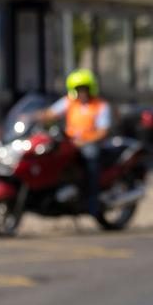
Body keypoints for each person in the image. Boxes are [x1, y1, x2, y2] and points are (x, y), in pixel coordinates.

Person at [41, 68, 111, 215]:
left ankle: (93, 200)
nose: (82, 93)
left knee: (91, 158)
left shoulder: (100, 105)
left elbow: (103, 131)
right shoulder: (70, 101)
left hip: (89, 143)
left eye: (84, 89)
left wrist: (85, 141)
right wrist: (31, 117)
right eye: (79, 89)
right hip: (70, 142)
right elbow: (50, 114)